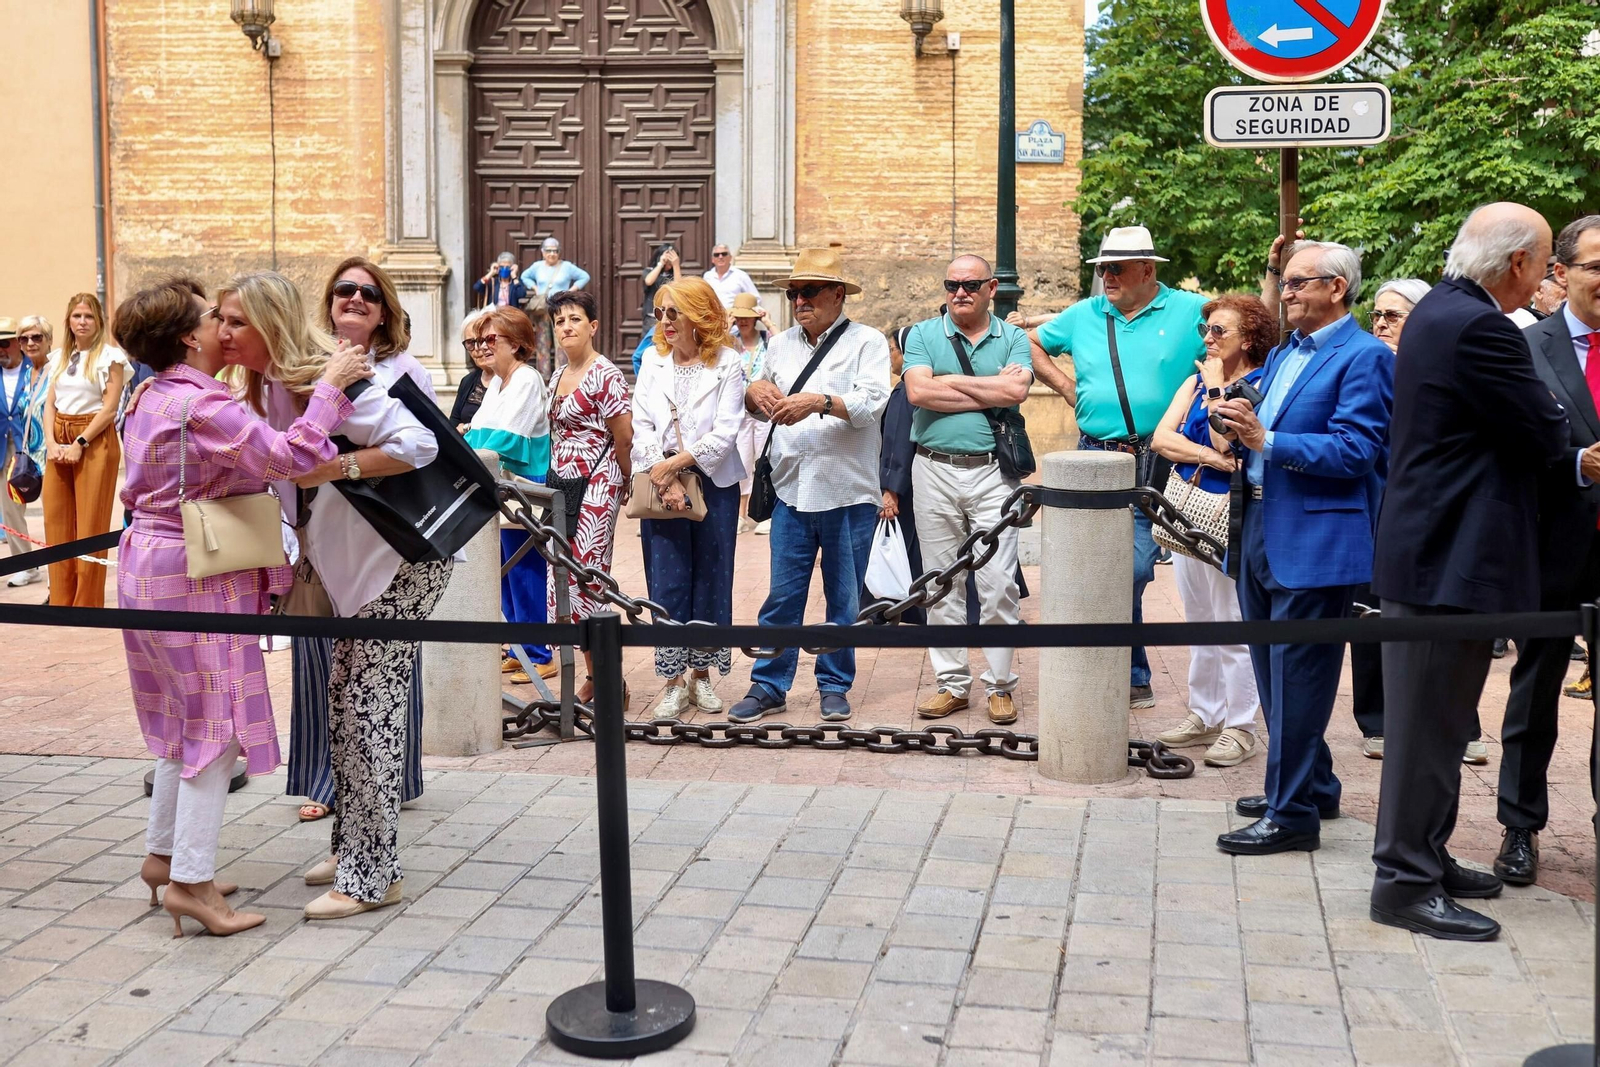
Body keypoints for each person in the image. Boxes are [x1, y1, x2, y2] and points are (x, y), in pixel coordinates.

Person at [115, 275, 366, 937]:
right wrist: (334, 384)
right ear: (185, 337)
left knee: (178, 717)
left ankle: (163, 856)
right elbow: (290, 457)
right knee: (215, 727)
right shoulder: (206, 406)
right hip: (195, 569)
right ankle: (193, 886)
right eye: (210, 318)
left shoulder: (151, 392)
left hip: (145, 560)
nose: (222, 327)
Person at [224, 269, 452, 921]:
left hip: (398, 561)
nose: (223, 331)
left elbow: (419, 443)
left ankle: (373, 874)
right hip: (349, 562)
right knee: (344, 706)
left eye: (235, 320)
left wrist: (334, 466)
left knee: (368, 711)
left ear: (268, 323)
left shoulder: (330, 376)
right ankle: (351, 846)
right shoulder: (271, 386)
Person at [1369, 203, 1567, 941]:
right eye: (1545, 260)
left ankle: (1426, 854)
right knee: (1426, 728)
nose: (1546, 274)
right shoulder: (1480, 325)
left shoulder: (1441, 309)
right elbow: (1543, 427)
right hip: (1444, 558)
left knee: (1445, 724)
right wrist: (1559, 429)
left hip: (1441, 553)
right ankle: (1403, 882)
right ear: (1516, 264)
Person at [1210, 240, 1394, 858]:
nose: (1284, 292)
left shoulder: (1365, 356)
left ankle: (1291, 816)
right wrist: (1237, 420)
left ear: (1336, 288)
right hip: (1259, 523)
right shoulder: (1287, 352)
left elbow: (1356, 452)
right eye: (1284, 283)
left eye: (1296, 283)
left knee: (1298, 676)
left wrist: (1269, 438)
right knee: (1273, 672)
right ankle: (1313, 785)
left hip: (1317, 536)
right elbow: (1263, 425)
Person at [1027, 226, 1208, 710]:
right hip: (1097, 453)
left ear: (1147, 270)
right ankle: (1128, 671)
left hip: (1165, 454)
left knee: (1133, 565)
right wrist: (1068, 389)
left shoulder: (1190, 310)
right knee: (1101, 565)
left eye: (1116, 268)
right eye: (1102, 268)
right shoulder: (1085, 314)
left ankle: (1132, 669)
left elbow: (1243, 340)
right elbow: (1029, 344)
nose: (1106, 276)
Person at [286, 257, 436, 826]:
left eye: (368, 294)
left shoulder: (403, 369)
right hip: (316, 529)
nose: (354, 299)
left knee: (381, 665)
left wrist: (339, 468)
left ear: (384, 311)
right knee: (318, 657)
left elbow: (426, 447)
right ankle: (323, 778)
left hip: (384, 533)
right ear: (328, 302)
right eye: (343, 290)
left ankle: (390, 780)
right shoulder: (305, 364)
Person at [730, 249, 890, 724]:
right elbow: (758, 398)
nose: (798, 300)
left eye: (809, 291)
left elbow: (872, 404)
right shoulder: (778, 347)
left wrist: (818, 402)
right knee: (783, 594)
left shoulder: (868, 343)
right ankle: (769, 684)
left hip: (847, 491)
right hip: (791, 487)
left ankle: (834, 683)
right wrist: (752, 394)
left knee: (843, 596)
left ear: (837, 295)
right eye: (793, 293)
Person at [1495, 214, 1600, 888]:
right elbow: (1507, 451)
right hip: (1552, 548)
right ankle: (1519, 825)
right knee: (1534, 694)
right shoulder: (1525, 347)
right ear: (1560, 273)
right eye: (1598, 266)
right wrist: (1578, 465)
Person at [900, 255, 1031, 725]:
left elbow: (1015, 394)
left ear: (991, 287)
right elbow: (918, 393)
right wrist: (987, 386)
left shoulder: (1013, 336)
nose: (960, 292)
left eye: (971, 284)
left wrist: (947, 380)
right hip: (931, 468)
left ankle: (999, 685)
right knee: (941, 583)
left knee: (998, 585)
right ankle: (952, 684)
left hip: (993, 473)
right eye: (952, 284)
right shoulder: (921, 333)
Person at [1149, 294, 1274, 766]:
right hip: (1188, 507)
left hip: (1230, 512)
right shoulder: (1195, 380)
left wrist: (1219, 390)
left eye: (1220, 331)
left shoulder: (1260, 385)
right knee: (1200, 618)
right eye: (1207, 329)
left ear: (1250, 338)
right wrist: (1206, 456)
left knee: (1232, 621)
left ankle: (1240, 725)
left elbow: (1231, 440)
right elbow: (1162, 439)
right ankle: (1204, 712)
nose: (1208, 338)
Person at [632, 277, 746, 714]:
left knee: (712, 579)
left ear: (699, 316)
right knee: (668, 580)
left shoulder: (728, 364)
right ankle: (674, 682)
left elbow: (727, 429)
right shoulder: (652, 363)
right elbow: (641, 427)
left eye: (673, 313)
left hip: (713, 484)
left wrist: (676, 465)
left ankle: (702, 676)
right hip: (662, 486)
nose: (664, 322)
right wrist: (665, 477)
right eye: (659, 313)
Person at [1349, 277, 1433, 760]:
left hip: (1423, 506)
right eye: (1376, 315)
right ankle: (1377, 721)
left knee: (1435, 615)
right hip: (1371, 503)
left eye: (1393, 316)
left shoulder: (1434, 370)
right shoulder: (1364, 364)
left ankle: (1457, 722)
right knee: (1369, 609)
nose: (1380, 323)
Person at [547, 289, 634, 703]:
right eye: (560, 320)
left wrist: (625, 481)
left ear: (593, 326)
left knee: (589, 578)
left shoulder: (607, 375)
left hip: (599, 482)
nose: (566, 326)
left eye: (575, 319)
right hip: (561, 484)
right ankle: (593, 674)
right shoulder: (556, 375)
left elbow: (624, 435)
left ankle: (606, 677)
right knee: (561, 576)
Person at [465, 305, 553, 683]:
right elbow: (481, 432)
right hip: (500, 486)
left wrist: (464, 441)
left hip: (525, 486)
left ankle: (540, 652)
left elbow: (507, 438)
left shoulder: (527, 379)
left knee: (524, 571)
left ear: (516, 344)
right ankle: (519, 646)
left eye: (491, 339)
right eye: (479, 340)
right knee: (503, 572)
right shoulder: (497, 383)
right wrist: (468, 438)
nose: (484, 347)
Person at [42, 292, 126, 608]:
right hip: (60, 435)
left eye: (88, 316)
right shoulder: (59, 357)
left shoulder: (110, 358)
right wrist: (51, 443)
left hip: (93, 438)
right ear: (69, 320)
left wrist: (80, 443)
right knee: (56, 519)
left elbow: (109, 409)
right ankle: (62, 599)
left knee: (90, 522)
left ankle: (87, 603)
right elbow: (49, 403)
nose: (82, 321)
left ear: (99, 321)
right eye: (77, 316)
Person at [1, 318, 42, 586]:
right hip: (3, 449)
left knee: (55, 507)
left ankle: (69, 563)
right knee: (11, 508)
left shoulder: (36, 369)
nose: (0, 350)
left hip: (35, 446)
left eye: (4, 343)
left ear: (17, 343)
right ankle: (26, 565)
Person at [729, 293, 771, 532]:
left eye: (747, 317)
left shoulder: (767, 339)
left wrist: (769, 322)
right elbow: (713, 349)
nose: (743, 322)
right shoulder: (731, 340)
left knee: (765, 457)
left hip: (764, 407)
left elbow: (786, 345)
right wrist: (726, 324)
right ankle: (741, 514)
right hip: (739, 407)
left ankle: (767, 513)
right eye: (739, 318)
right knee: (743, 459)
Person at [634, 243, 681, 376]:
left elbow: (679, 288)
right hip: (651, 318)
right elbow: (648, 281)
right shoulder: (650, 270)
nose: (669, 259)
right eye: (667, 254)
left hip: (671, 318)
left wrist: (676, 265)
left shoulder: (675, 274)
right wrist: (660, 264)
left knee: (667, 350)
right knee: (648, 350)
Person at [450, 308, 493, 431]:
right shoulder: (467, 381)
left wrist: (465, 428)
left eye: (480, 340)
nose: (477, 348)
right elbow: (452, 425)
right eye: (470, 343)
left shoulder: (507, 380)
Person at [520, 237, 591, 297]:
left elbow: (585, 277)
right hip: (542, 306)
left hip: (561, 304)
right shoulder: (537, 266)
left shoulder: (567, 266)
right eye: (548, 251)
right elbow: (524, 276)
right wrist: (535, 288)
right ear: (543, 252)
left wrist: (569, 292)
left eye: (555, 251)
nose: (552, 254)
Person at [703, 242, 760, 308]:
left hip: (734, 316)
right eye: (716, 255)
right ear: (712, 260)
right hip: (713, 316)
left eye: (724, 254)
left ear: (730, 258)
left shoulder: (741, 276)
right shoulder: (707, 276)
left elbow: (756, 299)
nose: (720, 257)